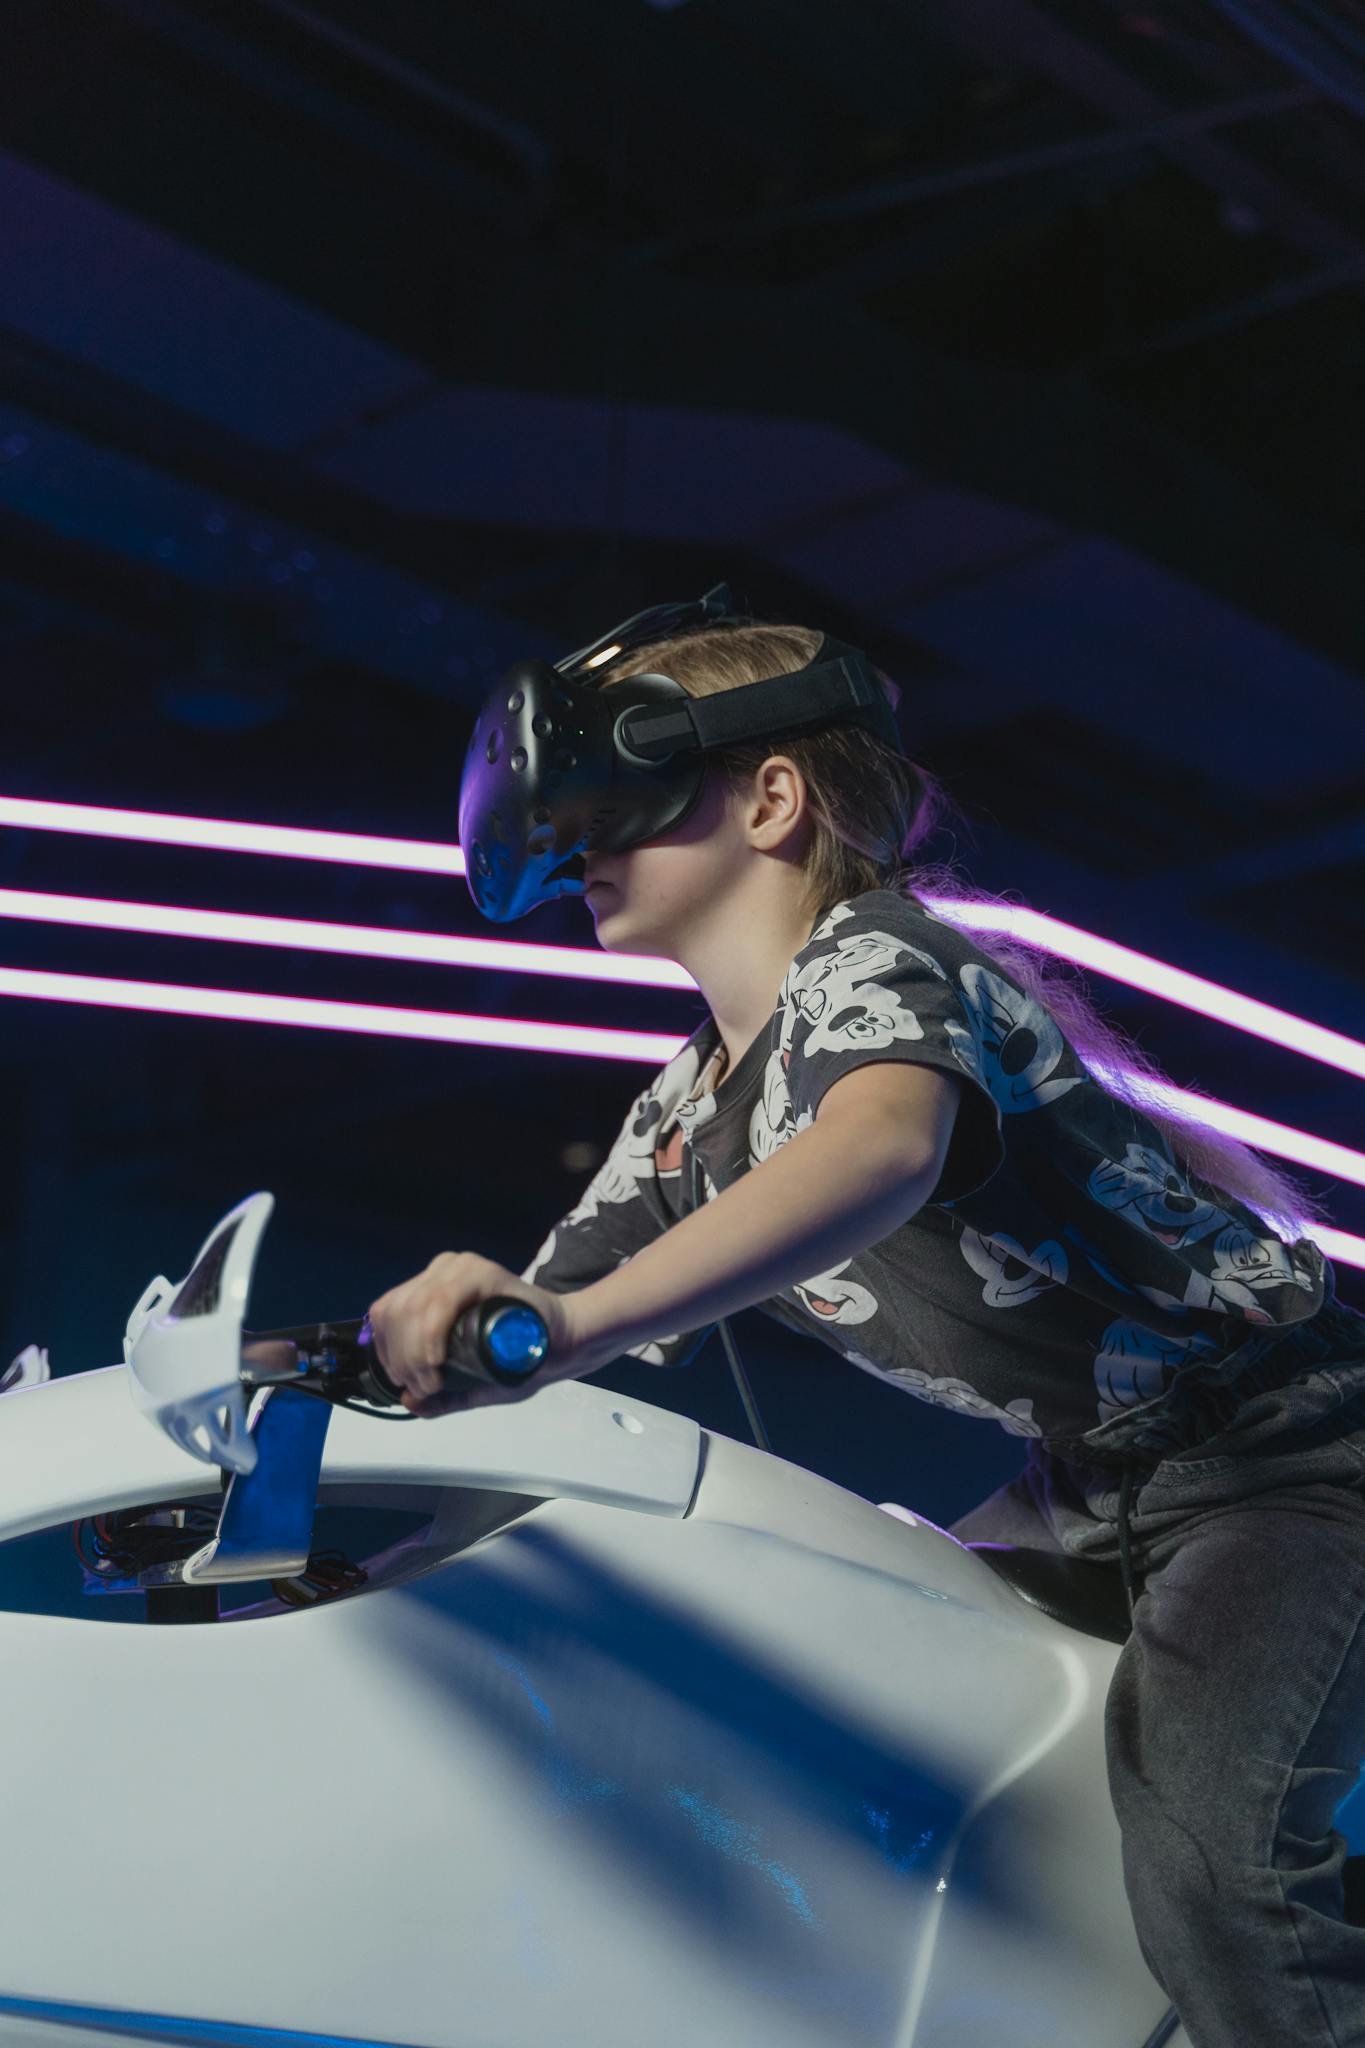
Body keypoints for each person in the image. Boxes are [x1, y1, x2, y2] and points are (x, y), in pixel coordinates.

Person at [367, 615, 1365, 2048]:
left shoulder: (880, 956)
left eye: (621, 794)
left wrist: (565, 1322)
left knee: (1225, 1873)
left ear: (771, 800)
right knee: (879, 1720)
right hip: (1092, 1483)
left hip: (1286, 1463)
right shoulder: (685, 1113)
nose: (577, 845)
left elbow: (878, 1148)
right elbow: (513, 1358)